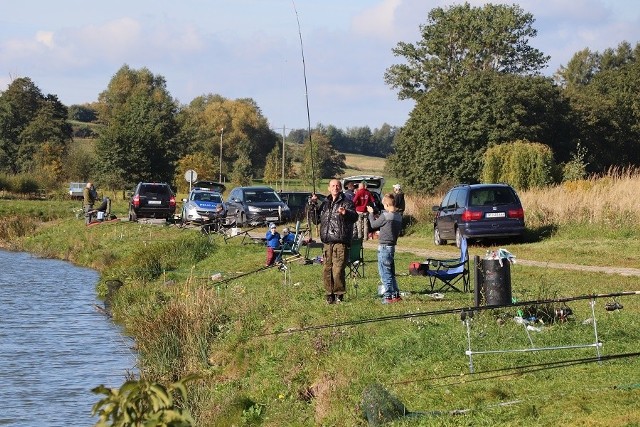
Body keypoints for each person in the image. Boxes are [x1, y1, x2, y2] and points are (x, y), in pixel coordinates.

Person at [310, 179, 358, 304]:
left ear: (340, 188)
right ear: (328, 188)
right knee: (327, 269)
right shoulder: (325, 203)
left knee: (338, 270)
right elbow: (316, 220)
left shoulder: (347, 202)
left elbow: (355, 217)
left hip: (340, 241)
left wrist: (345, 213)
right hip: (327, 242)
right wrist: (313, 205)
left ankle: (339, 295)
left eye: (337, 185)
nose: (335, 188)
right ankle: (329, 294)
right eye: (333, 186)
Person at [367, 193, 403, 303]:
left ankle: (388, 296)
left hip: (383, 247)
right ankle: (396, 294)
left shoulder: (385, 216)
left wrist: (371, 214)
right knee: (391, 272)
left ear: (387, 204)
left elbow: (373, 225)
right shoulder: (398, 217)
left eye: (384, 205)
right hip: (392, 246)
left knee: (384, 272)